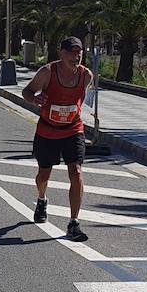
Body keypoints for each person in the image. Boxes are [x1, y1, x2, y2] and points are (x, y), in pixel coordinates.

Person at [22, 36, 93, 242]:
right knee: (44, 175)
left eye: (79, 52)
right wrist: (34, 99)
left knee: (77, 172)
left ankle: (73, 222)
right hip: (47, 131)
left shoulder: (86, 75)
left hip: (73, 130)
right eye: (71, 52)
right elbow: (27, 91)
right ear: (61, 53)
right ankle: (42, 199)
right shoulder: (47, 72)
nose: (76, 56)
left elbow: (82, 99)